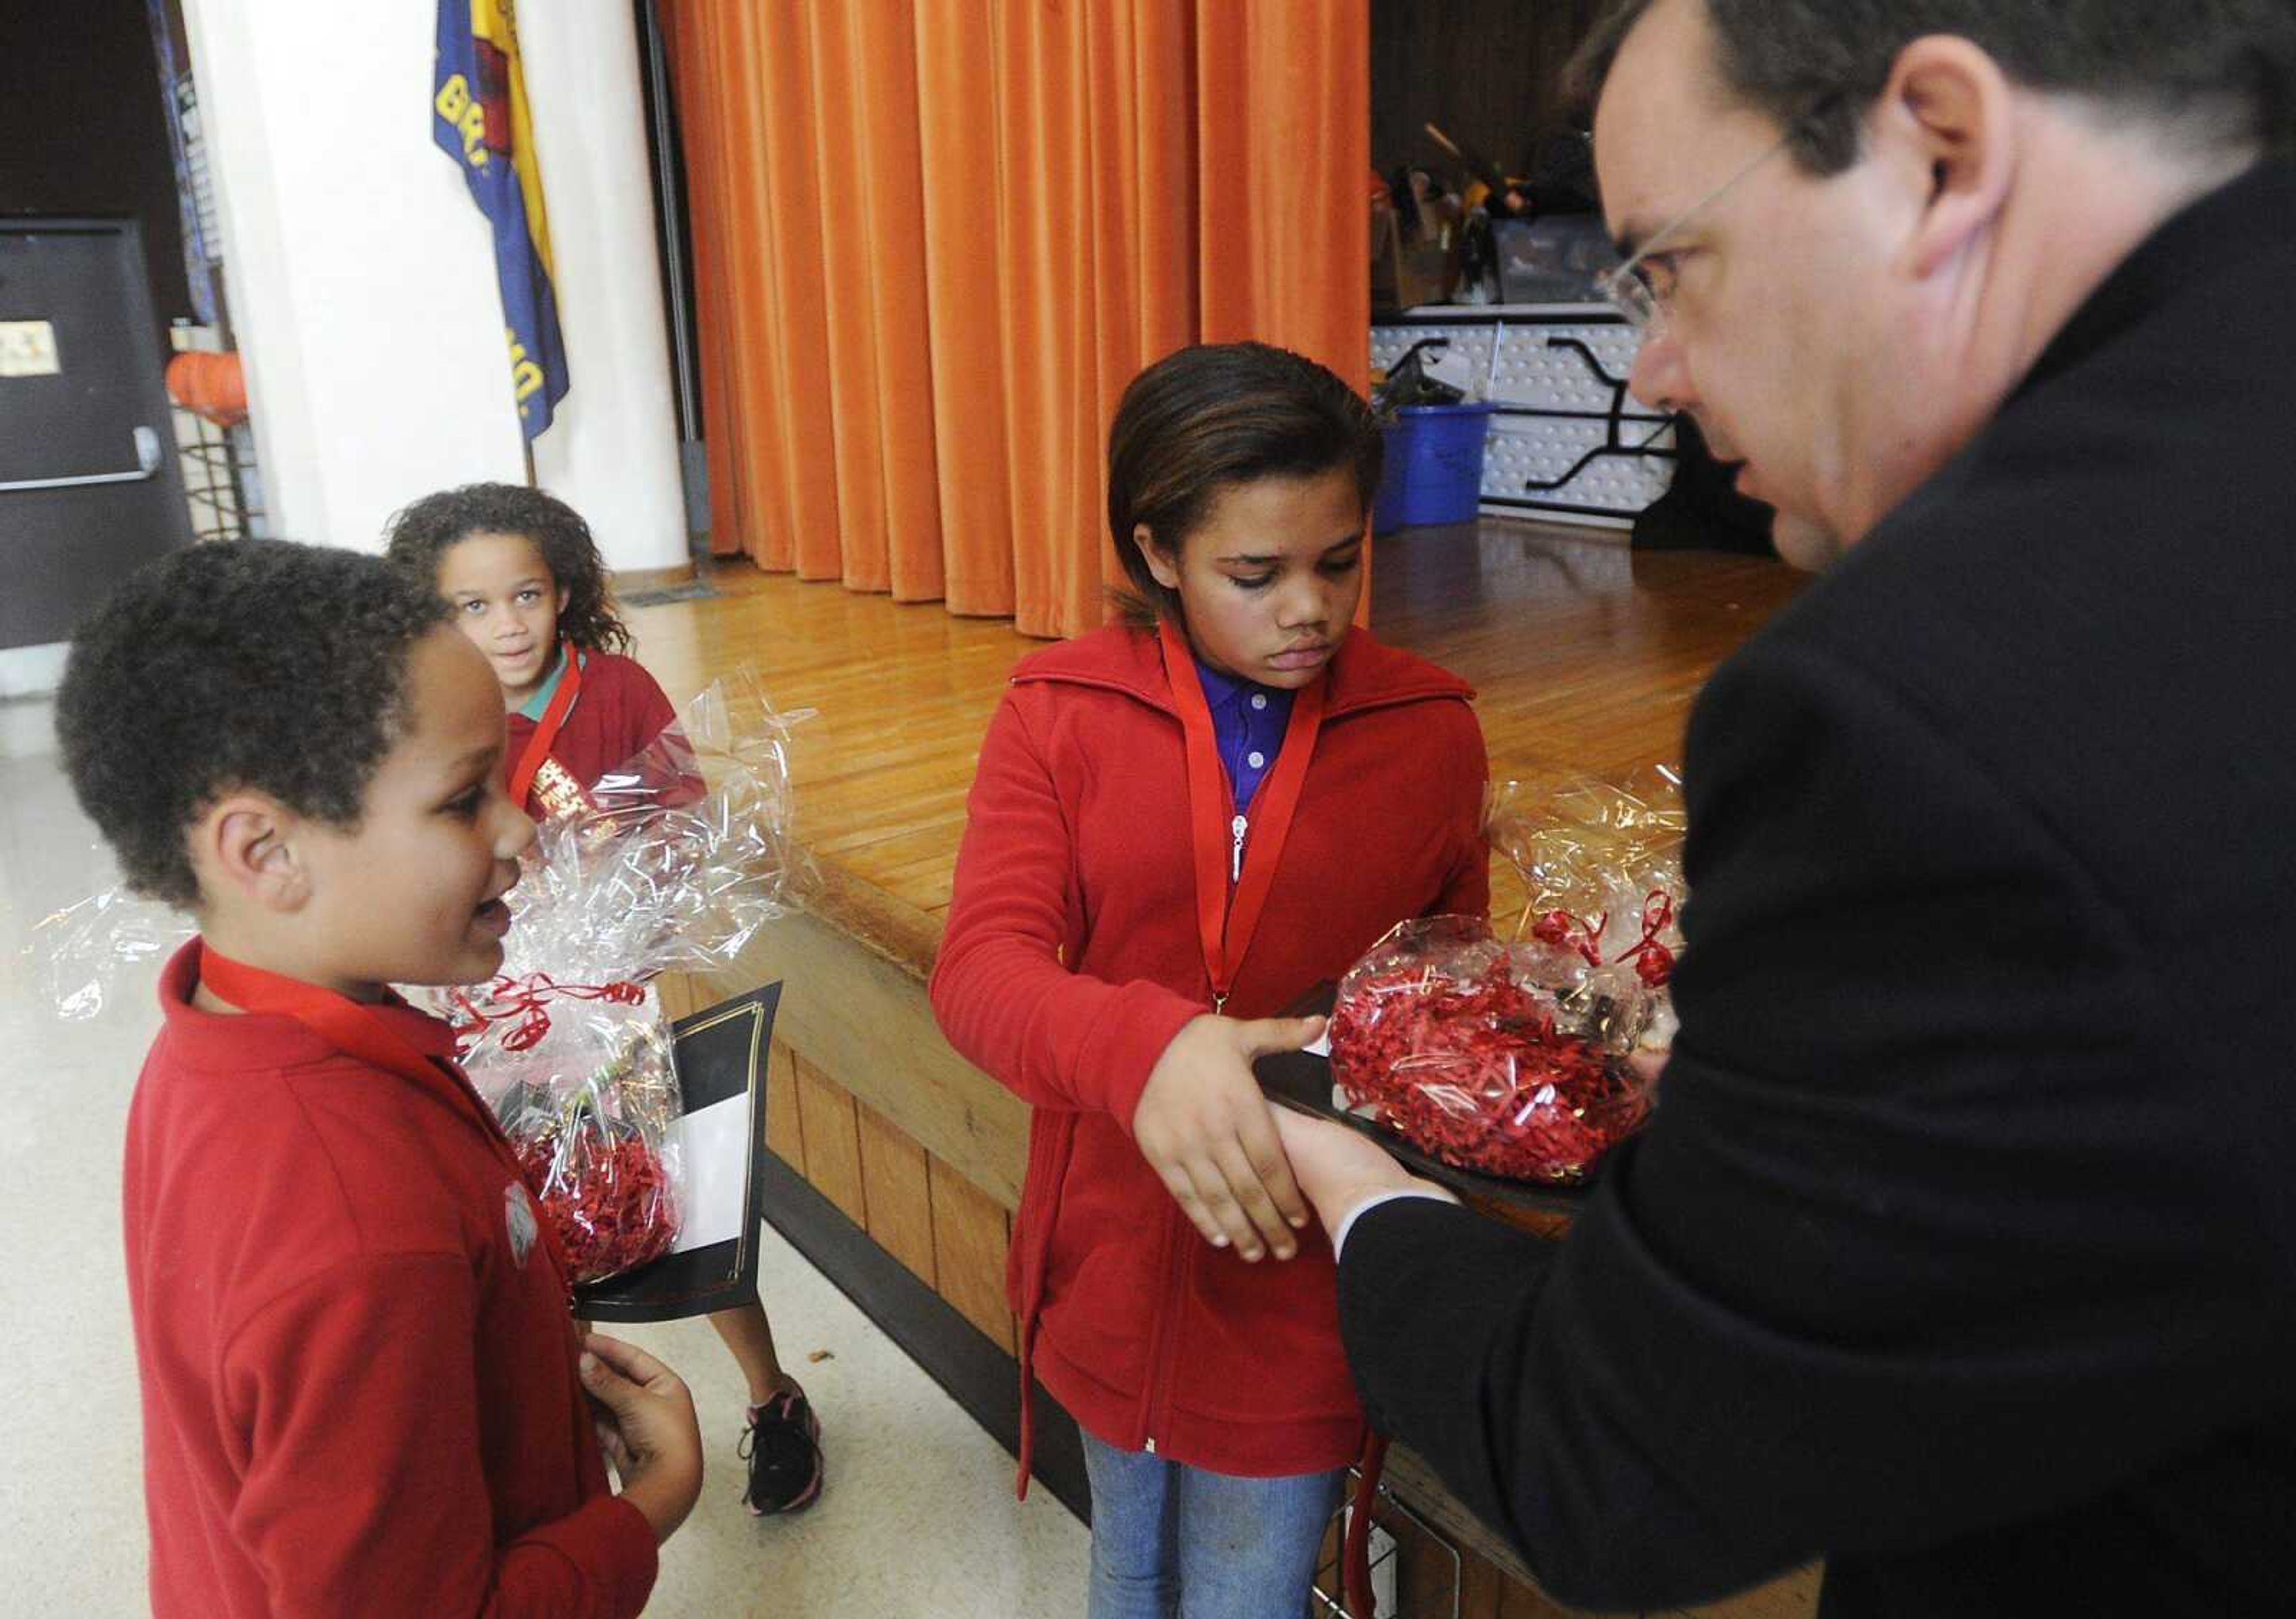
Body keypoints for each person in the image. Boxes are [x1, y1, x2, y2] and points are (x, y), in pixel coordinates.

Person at [1275, 1, 2296, 1614]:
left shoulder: (1926, 705)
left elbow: (1624, 1460)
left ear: (1941, 148)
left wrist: (1355, 1183)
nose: (1659, 372)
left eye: (1669, 266)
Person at [930, 342, 1489, 1617]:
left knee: (1250, 1589)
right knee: (1125, 1571)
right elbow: (980, 973)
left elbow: (1445, 1000)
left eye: (1341, 562)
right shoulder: (1055, 709)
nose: (1311, 607)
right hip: (1110, 1259)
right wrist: (1152, 1046)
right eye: (1257, 573)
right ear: (1158, 554)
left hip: (1297, 1276)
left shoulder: (1431, 728)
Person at [54, 539, 704, 1615]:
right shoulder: (355, 1225)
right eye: (462, 802)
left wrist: (514, 1361)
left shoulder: (222, 1031)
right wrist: (650, 1508)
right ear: (264, 854)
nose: (522, 829)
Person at [386, 482, 826, 1518]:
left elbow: (686, 825)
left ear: (565, 590)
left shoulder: (616, 687)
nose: (508, 626)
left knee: (671, 1206)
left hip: (605, 1002)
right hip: (484, 1009)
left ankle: (772, 1395)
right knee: (532, 1228)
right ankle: (565, 1417)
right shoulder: (428, 702)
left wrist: (621, 869)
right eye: (474, 607)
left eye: (527, 595)